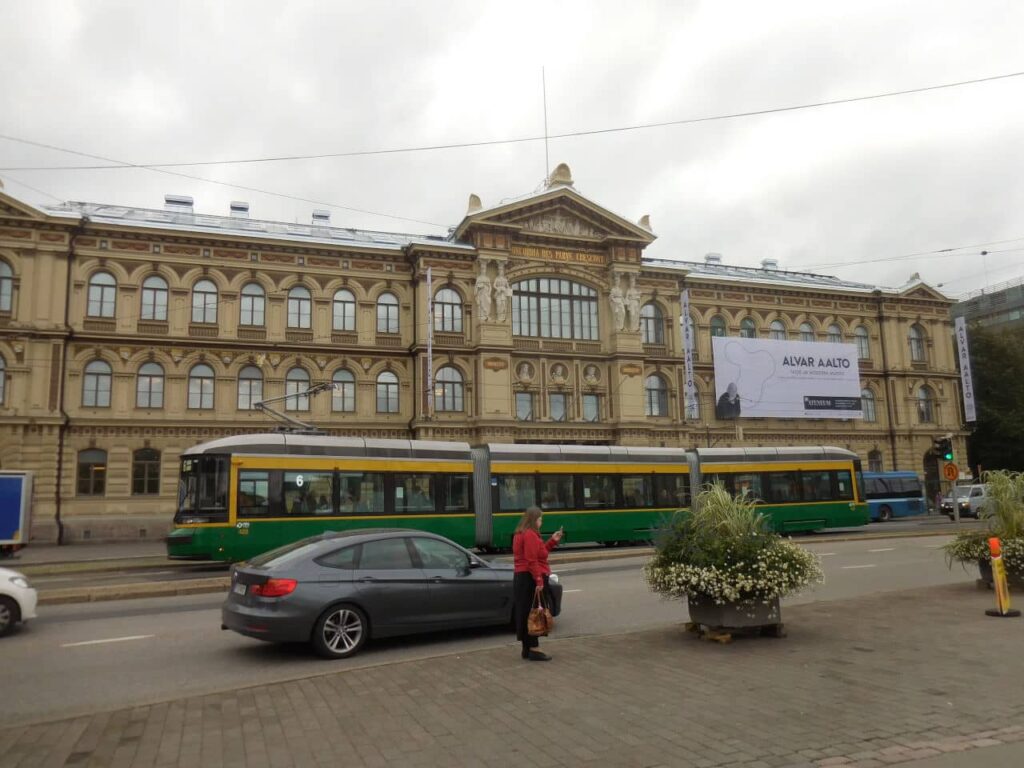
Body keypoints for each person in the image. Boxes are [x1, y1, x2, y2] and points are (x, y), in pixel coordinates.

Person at [512, 506, 563, 661]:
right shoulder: (530, 535)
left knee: (526, 612)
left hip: (522, 577)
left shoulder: (521, 533)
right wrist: (539, 580)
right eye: (540, 519)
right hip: (530, 578)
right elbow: (531, 559)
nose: (541, 522)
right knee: (535, 613)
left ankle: (526, 649)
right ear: (534, 520)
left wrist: (552, 541)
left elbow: (540, 553)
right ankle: (534, 648)